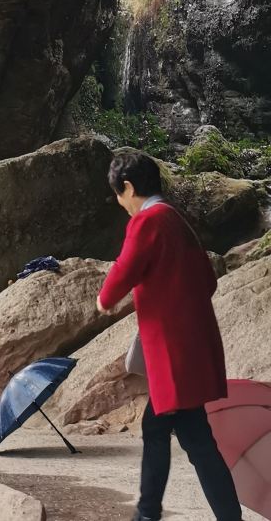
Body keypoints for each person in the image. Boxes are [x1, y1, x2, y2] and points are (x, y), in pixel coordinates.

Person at [96, 150, 242, 521]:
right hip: (193, 347)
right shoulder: (179, 220)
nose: (120, 203)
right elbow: (208, 281)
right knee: (193, 438)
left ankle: (147, 514)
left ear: (128, 188)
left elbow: (123, 269)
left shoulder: (148, 222)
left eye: (118, 194)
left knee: (168, 432)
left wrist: (104, 300)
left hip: (173, 354)